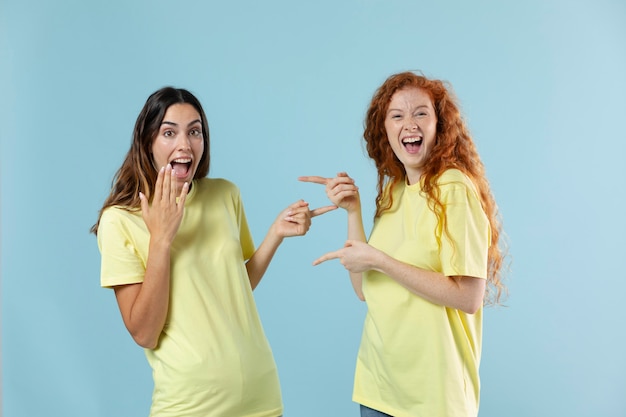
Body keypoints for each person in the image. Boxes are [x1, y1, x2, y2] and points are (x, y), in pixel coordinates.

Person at [91, 86, 335, 417]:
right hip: (191, 405)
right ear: (147, 142)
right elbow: (145, 333)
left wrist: (276, 233)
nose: (185, 144)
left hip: (260, 394)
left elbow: (235, 285)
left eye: (195, 132)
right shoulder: (120, 220)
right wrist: (161, 239)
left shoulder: (224, 195)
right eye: (169, 132)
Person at [299, 71, 507, 417]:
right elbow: (365, 288)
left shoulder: (453, 188)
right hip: (379, 387)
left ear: (440, 125)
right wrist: (353, 211)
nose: (409, 124)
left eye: (421, 113)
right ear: (385, 132)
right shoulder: (394, 191)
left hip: (434, 397)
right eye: (397, 115)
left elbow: (468, 296)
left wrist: (382, 260)